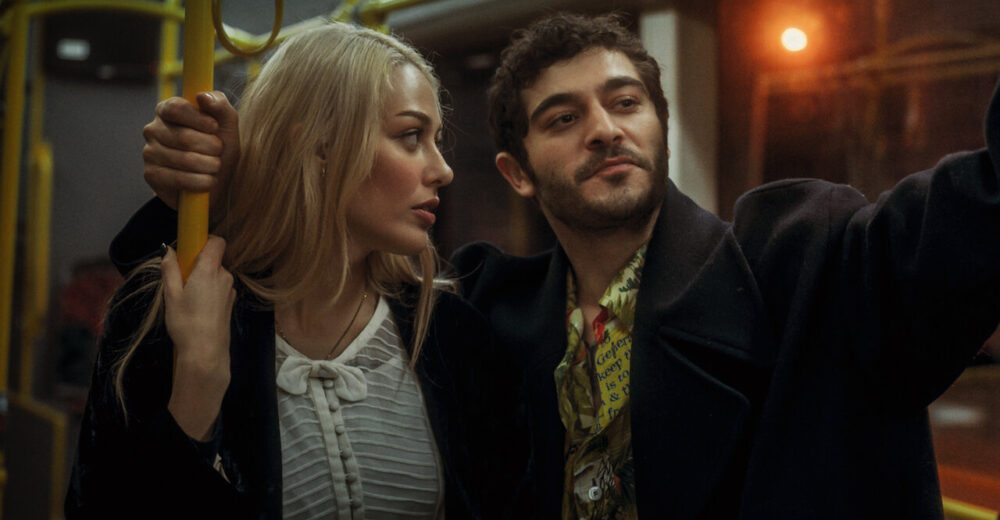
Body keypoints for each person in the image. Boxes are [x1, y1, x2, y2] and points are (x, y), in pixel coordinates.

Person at [122, 12, 1000, 520]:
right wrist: (216, 189)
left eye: (626, 103)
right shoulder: (485, 312)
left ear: (659, 127)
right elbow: (306, 269)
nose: (606, 129)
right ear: (517, 172)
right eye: (563, 118)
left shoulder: (800, 262)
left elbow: (974, 216)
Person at [66, 23, 522, 519]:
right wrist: (197, 383)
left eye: (436, 139)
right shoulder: (169, 319)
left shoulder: (451, 333)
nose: (443, 170)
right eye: (411, 136)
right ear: (320, 147)